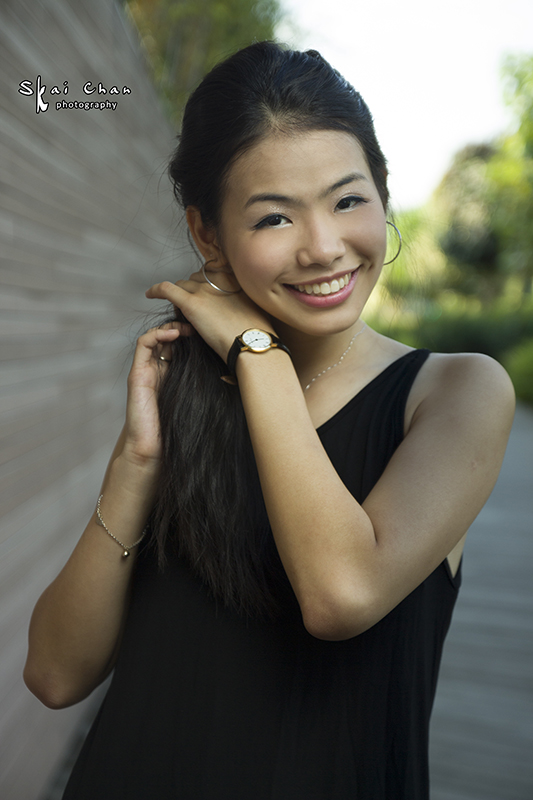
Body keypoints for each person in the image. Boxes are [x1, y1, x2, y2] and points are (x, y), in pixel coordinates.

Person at [24, 42, 514, 799]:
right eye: (275, 216)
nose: (323, 248)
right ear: (208, 235)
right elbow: (56, 676)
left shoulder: (454, 394)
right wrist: (136, 468)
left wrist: (256, 354)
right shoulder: (189, 391)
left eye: (348, 199)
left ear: (383, 194)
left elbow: (340, 596)